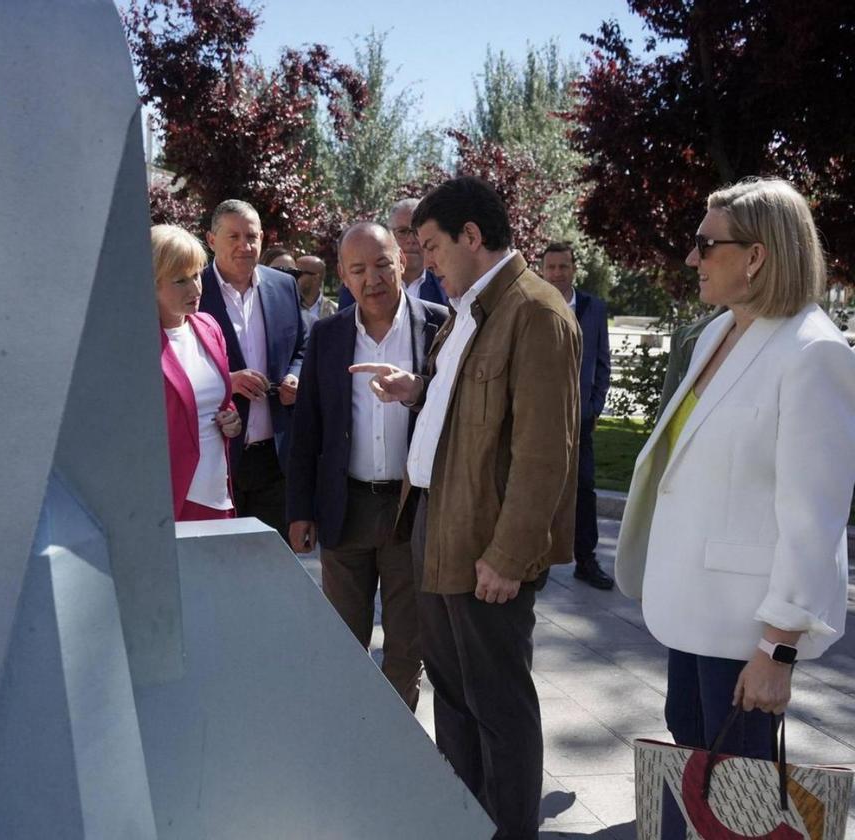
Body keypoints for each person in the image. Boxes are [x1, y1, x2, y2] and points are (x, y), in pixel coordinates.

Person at [614, 178, 855, 836]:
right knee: (699, 781)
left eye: (705, 245)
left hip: (746, 630)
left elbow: (816, 515)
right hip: (693, 613)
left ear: (756, 256)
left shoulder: (813, 353)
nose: (692, 259)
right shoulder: (720, 331)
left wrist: (777, 649)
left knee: (742, 800)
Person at [352, 177, 580, 839]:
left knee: (498, 708)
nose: (424, 263)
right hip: (435, 525)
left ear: (472, 238)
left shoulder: (535, 311)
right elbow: (471, 406)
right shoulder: (471, 309)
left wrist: (508, 557)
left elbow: (545, 452)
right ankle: (464, 823)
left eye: (430, 247)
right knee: (453, 700)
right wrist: (416, 389)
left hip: (485, 548)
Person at [287, 222, 447, 708]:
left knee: (407, 646)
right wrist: (300, 510)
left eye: (381, 264)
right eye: (358, 269)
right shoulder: (328, 335)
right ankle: (349, 743)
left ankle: (396, 751)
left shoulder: (440, 325)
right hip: (345, 507)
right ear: (343, 275)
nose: (372, 278)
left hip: (411, 509)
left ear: (402, 260)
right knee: (342, 643)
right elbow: (307, 428)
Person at [199, 200, 307, 540]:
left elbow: (302, 347)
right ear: (211, 240)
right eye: (233, 236)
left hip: (274, 459)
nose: (245, 246)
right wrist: (225, 384)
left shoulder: (283, 286)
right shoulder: (193, 291)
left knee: (269, 567)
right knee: (218, 566)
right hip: (217, 457)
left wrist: (296, 375)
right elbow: (171, 366)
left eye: (252, 236)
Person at [152, 224, 243, 521]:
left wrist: (230, 417)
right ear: (150, 283)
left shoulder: (208, 326)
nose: (195, 288)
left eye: (196, 275)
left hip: (218, 492)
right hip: (172, 498)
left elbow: (216, 400)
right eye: (180, 280)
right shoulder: (134, 343)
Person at [540, 241, 614, 590]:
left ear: (573, 268)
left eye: (563, 266)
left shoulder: (594, 308)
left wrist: (594, 407)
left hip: (580, 420)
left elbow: (602, 363)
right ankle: (535, 559)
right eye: (550, 267)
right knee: (536, 486)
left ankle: (586, 560)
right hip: (538, 418)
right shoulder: (531, 304)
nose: (556, 273)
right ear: (542, 269)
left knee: (584, 488)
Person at [338, 198, 446, 309]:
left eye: (416, 232)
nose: (411, 240)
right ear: (389, 235)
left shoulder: (445, 283)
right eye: (402, 231)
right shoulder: (355, 290)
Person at [295, 254, 337, 330]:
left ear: (315, 279)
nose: (293, 277)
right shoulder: (289, 308)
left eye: (298, 273)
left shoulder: (335, 311)